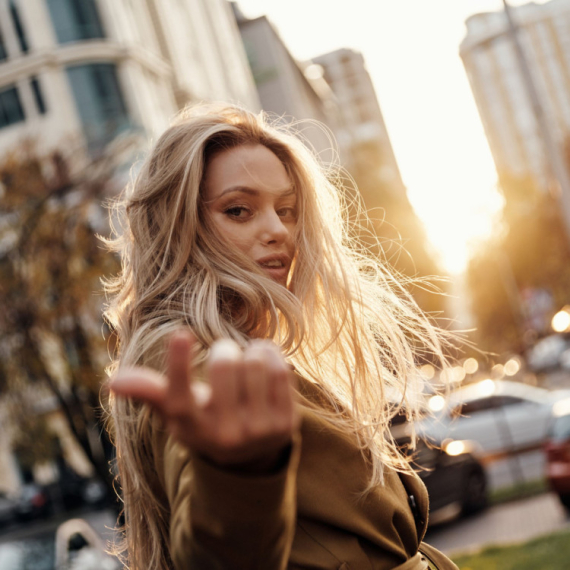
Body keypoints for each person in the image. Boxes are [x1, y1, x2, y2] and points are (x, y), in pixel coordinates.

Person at [105, 103, 458, 570]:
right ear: (177, 226)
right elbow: (217, 554)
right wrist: (237, 475)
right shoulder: (189, 355)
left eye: (286, 209)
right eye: (238, 210)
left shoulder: (245, 346)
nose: (277, 230)